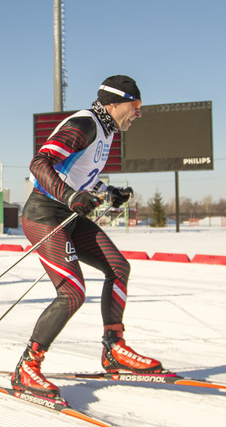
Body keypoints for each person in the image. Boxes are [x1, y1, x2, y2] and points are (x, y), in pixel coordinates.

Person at [13, 75, 166, 400]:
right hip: (43, 213)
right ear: (114, 103)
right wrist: (70, 196)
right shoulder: (86, 124)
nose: (138, 113)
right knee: (73, 292)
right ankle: (27, 367)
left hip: (68, 212)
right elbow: (40, 163)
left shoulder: (107, 131)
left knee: (118, 268)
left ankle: (113, 349)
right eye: (135, 106)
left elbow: (81, 173)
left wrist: (108, 191)